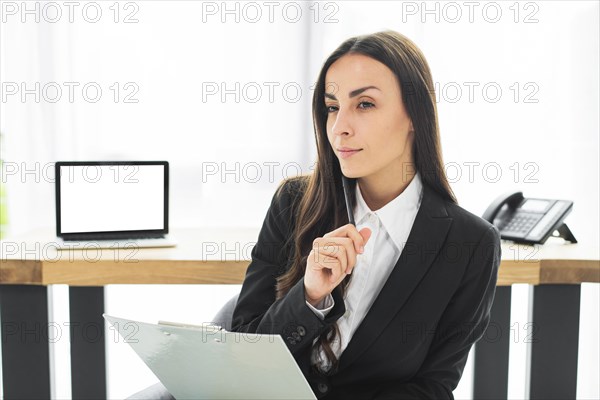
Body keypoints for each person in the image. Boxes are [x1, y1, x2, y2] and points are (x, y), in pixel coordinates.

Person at [128, 30, 500, 400]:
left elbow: (433, 386)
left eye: (365, 104)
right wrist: (308, 296)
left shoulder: (470, 243)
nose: (340, 128)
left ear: (414, 115)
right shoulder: (293, 202)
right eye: (332, 106)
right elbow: (243, 349)